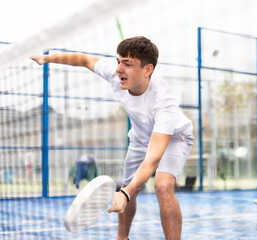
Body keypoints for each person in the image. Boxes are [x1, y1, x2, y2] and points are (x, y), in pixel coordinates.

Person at [32, 36, 194, 240]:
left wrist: (124, 194)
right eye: (118, 61)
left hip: (174, 138)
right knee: (129, 188)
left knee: (162, 185)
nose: (119, 68)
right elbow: (84, 60)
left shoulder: (164, 101)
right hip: (140, 137)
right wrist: (46, 59)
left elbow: (152, 159)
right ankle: (122, 238)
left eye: (128, 64)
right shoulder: (116, 74)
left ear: (147, 70)